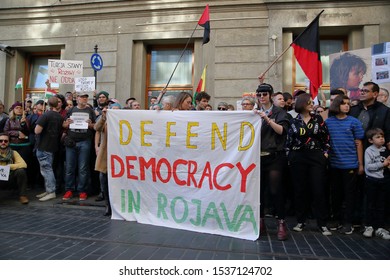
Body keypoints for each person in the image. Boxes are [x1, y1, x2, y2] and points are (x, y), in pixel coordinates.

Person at [287, 93, 332, 236]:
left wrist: (325, 153)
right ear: (302, 104)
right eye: (309, 102)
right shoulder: (293, 121)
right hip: (298, 158)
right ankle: (301, 221)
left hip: (316, 157)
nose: (312, 104)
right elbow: (289, 141)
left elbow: (326, 137)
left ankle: (322, 223)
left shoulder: (318, 119)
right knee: (300, 190)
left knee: (318, 189)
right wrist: (290, 156)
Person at [255, 83, 290, 241]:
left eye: (264, 94)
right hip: (257, 157)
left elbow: (282, 131)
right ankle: (260, 222)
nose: (262, 97)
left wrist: (266, 119)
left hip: (275, 155)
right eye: (259, 94)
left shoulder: (279, 112)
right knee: (259, 192)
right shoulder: (253, 112)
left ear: (270, 95)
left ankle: (281, 223)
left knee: (276, 191)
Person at [325, 95, 365, 234]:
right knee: (335, 194)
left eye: (348, 104)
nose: (347, 106)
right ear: (337, 105)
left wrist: (360, 164)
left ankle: (348, 222)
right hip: (334, 164)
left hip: (350, 165)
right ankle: (335, 219)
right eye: (343, 104)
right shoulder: (329, 123)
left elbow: (359, 143)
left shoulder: (354, 122)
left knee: (350, 195)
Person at [62, 92, 96, 201]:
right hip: (71, 141)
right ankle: (69, 190)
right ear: (77, 98)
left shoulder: (90, 110)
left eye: (86, 97)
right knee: (69, 167)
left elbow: (95, 126)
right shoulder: (71, 110)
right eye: (82, 97)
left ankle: (82, 191)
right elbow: (64, 125)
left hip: (85, 141)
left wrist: (90, 124)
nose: (84, 99)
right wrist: (67, 123)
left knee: (83, 168)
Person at [34, 97, 64, 201]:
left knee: (47, 169)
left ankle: (51, 191)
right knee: (47, 169)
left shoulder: (45, 115)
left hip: (43, 146)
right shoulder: (60, 117)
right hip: (52, 146)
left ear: (48, 104)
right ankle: (48, 190)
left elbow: (37, 131)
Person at [362, 128, 390, 240]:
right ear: (370, 140)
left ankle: (380, 228)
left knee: (381, 205)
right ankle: (369, 226)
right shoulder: (369, 151)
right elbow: (368, 167)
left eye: (382, 136)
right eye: (378, 137)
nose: (381, 139)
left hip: (383, 181)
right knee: (370, 204)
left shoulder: (386, 150)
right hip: (372, 180)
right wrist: (382, 164)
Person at [0, 133, 29, 204]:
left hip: (10, 177)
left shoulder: (13, 153)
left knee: (21, 171)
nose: (3, 142)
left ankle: (23, 196)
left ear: (9, 142)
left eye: (5, 141)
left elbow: (24, 164)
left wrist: (9, 166)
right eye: (1, 141)